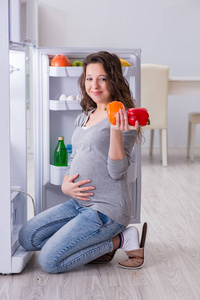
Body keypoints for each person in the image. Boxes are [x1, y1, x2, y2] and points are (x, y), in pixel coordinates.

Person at [19, 51, 147, 273]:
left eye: (102, 78)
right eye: (89, 78)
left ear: (113, 80)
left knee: (49, 261)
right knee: (27, 236)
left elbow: (117, 171)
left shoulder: (123, 117)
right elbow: (75, 157)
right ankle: (95, 243)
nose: (94, 85)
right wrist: (66, 183)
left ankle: (122, 240)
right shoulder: (85, 115)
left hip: (106, 209)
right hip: (78, 204)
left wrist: (115, 129)